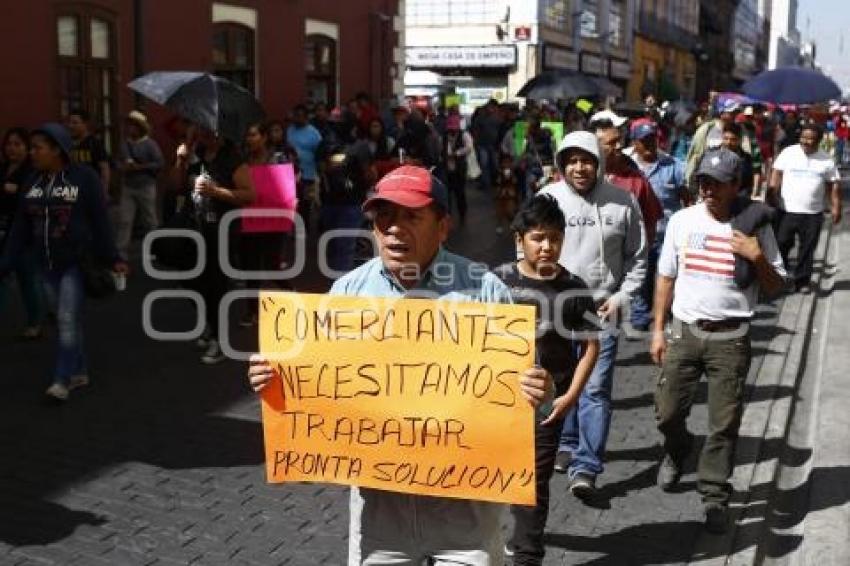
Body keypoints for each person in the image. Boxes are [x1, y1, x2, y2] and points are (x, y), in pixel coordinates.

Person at [247, 165, 554, 564]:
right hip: (382, 514)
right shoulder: (348, 293)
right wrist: (276, 383)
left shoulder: (484, 290)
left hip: (465, 509)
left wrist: (539, 392)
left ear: (442, 227)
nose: (394, 228)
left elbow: (526, 396)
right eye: (384, 216)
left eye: (411, 216)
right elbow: (322, 392)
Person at [651, 147, 785, 534]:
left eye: (718, 184)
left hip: (732, 337)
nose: (708, 190)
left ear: (736, 186)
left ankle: (714, 496)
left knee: (723, 424)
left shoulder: (754, 224)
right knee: (667, 412)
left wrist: (756, 256)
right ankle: (677, 450)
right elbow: (665, 277)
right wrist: (658, 329)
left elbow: (776, 286)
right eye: (703, 182)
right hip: (685, 331)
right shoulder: (682, 221)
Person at [538, 131, 647, 497]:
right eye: (571, 160)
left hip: (600, 311)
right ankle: (567, 445)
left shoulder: (623, 202)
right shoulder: (547, 198)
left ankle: (586, 466)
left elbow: (638, 256)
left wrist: (622, 296)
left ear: (598, 163)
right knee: (563, 382)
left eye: (586, 160)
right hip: (554, 311)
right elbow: (527, 246)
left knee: (595, 389)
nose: (579, 167)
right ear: (561, 165)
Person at [496, 195, 600, 566]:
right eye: (538, 237)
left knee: (534, 482)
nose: (547, 246)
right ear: (519, 239)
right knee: (497, 473)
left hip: (546, 404)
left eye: (555, 238)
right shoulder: (497, 282)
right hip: (496, 400)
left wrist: (570, 396)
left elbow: (591, 346)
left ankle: (527, 553)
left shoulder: (573, 287)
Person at [0, 123, 127, 401]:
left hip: (75, 263)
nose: (32, 153)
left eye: (38, 148)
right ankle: (79, 369)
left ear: (57, 149)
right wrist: (6, 262)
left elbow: (100, 221)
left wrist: (113, 257)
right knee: (64, 319)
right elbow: (20, 227)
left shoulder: (85, 178)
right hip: (43, 264)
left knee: (68, 318)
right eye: (31, 148)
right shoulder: (32, 181)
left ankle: (62, 379)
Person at [172, 126, 255, 363]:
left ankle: (218, 340)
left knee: (215, 284)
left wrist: (215, 191)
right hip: (193, 227)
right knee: (189, 280)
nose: (204, 135)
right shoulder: (194, 154)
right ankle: (209, 322)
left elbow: (249, 195)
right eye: (201, 131)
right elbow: (175, 186)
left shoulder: (232, 158)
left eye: (210, 132)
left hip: (221, 229)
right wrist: (180, 159)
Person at [623, 121, 687, 332]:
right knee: (639, 275)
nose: (649, 144)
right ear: (635, 143)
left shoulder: (674, 166)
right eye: (644, 140)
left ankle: (665, 313)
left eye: (652, 138)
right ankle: (640, 313)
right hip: (635, 234)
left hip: (665, 234)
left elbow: (687, 198)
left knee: (665, 275)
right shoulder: (626, 166)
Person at [769, 123, 842, 293]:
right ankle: (782, 274)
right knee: (781, 243)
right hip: (786, 209)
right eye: (804, 137)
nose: (806, 141)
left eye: (811, 139)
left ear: (819, 141)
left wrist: (836, 206)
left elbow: (833, 185)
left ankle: (802, 281)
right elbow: (777, 173)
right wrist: (772, 194)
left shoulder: (826, 160)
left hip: (812, 213)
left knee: (807, 248)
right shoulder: (788, 153)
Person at [238, 122, 293, 326]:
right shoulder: (243, 161)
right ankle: (252, 310)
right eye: (247, 136)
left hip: (273, 219)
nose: (249, 139)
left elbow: (287, 188)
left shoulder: (278, 158)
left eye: (253, 134)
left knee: (271, 265)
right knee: (250, 266)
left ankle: (290, 293)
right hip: (250, 219)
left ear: (264, 137)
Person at [0, 127, 44, 339]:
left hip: (25, 235)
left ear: (27, 148)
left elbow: (37, 198)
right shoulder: (4, 168)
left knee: (28, 280)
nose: (12, 149)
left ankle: (36, 321)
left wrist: (16, 191)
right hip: (3, 231)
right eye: (9, 144)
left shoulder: (32, 172)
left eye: (18, 144)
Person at [115, 110, 164, 261]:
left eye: (133, 126)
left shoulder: (150, 144)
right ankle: (121, 253)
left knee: (149, 220)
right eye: (129, 126)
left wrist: (141, 167)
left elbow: (159, 163)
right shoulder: (125, 144)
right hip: (128, 186)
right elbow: (117, 161)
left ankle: (156, 249)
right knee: (125, 220)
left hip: (146, 186)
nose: (130, 129)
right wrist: (122, 167)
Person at [287, 104, 323, 228]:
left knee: (305, 203)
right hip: (290, 173)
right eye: (296, 116)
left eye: (301, 116)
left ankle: (304, 227)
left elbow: (320, 152)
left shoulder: (313, 132)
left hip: (308, 173)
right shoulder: (289, 130)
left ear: (306, 117)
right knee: (293, 201)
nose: (298, 118)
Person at [66, 108, 111, 197]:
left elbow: (104, 169)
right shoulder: (68, 144)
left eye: (75, 123)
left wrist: (103, 191)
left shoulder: (94, 143)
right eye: (70, 123)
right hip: (71, 192)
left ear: (85, 124)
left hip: (91, 191)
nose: (71, 126)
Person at [443, 114, 473, 221]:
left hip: (460, 167)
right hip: (447, 168)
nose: (451, 131)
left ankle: (462, 214)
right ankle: (448, 214)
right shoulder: (444, 136)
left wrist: (457, 153)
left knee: (460, 192)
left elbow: (469, 147)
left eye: (453, 129)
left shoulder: (464, 135)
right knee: (447, 193)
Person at [721, 122, 757, 198]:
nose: (728, 143)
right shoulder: (714, 156)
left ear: (739, 140)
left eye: (733, 139)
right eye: (726, 138)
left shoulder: (746, 158)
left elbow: (748, 183)